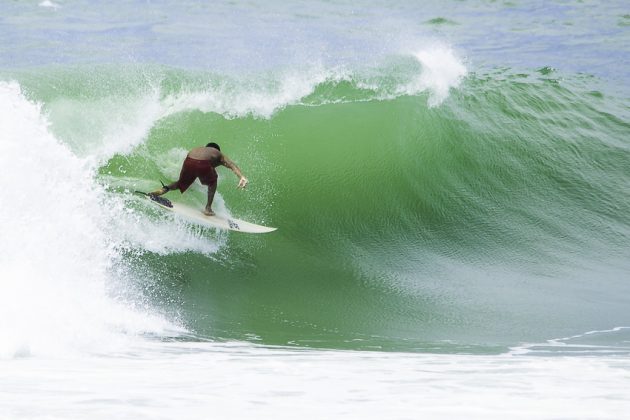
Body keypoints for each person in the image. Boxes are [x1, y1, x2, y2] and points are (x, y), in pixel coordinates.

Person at [150, 142, 248, 216]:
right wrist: (241, 177)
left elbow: (195, 164)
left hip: (188, 160)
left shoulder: (199, 149)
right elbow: (231, 164)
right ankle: (208, 208)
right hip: (203, 164)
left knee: (181, 183)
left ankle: (162, 190)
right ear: (217, 149)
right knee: (213, 181)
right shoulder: (218, 153)